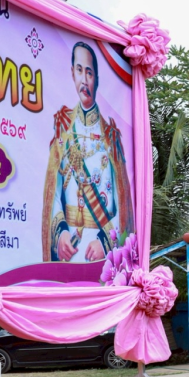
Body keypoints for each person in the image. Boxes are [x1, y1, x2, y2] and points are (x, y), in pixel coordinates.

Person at [42, 42, 134, 263]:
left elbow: (122, 207)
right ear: (72, 73)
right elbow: (53, 196)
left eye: (89, 73)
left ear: (97, 79)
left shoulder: (110, 137)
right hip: (68, 255)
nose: (84, 79)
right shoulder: (63, 132)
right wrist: (61, 233)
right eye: (80, 70)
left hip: (103, 256)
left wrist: (105, 242)